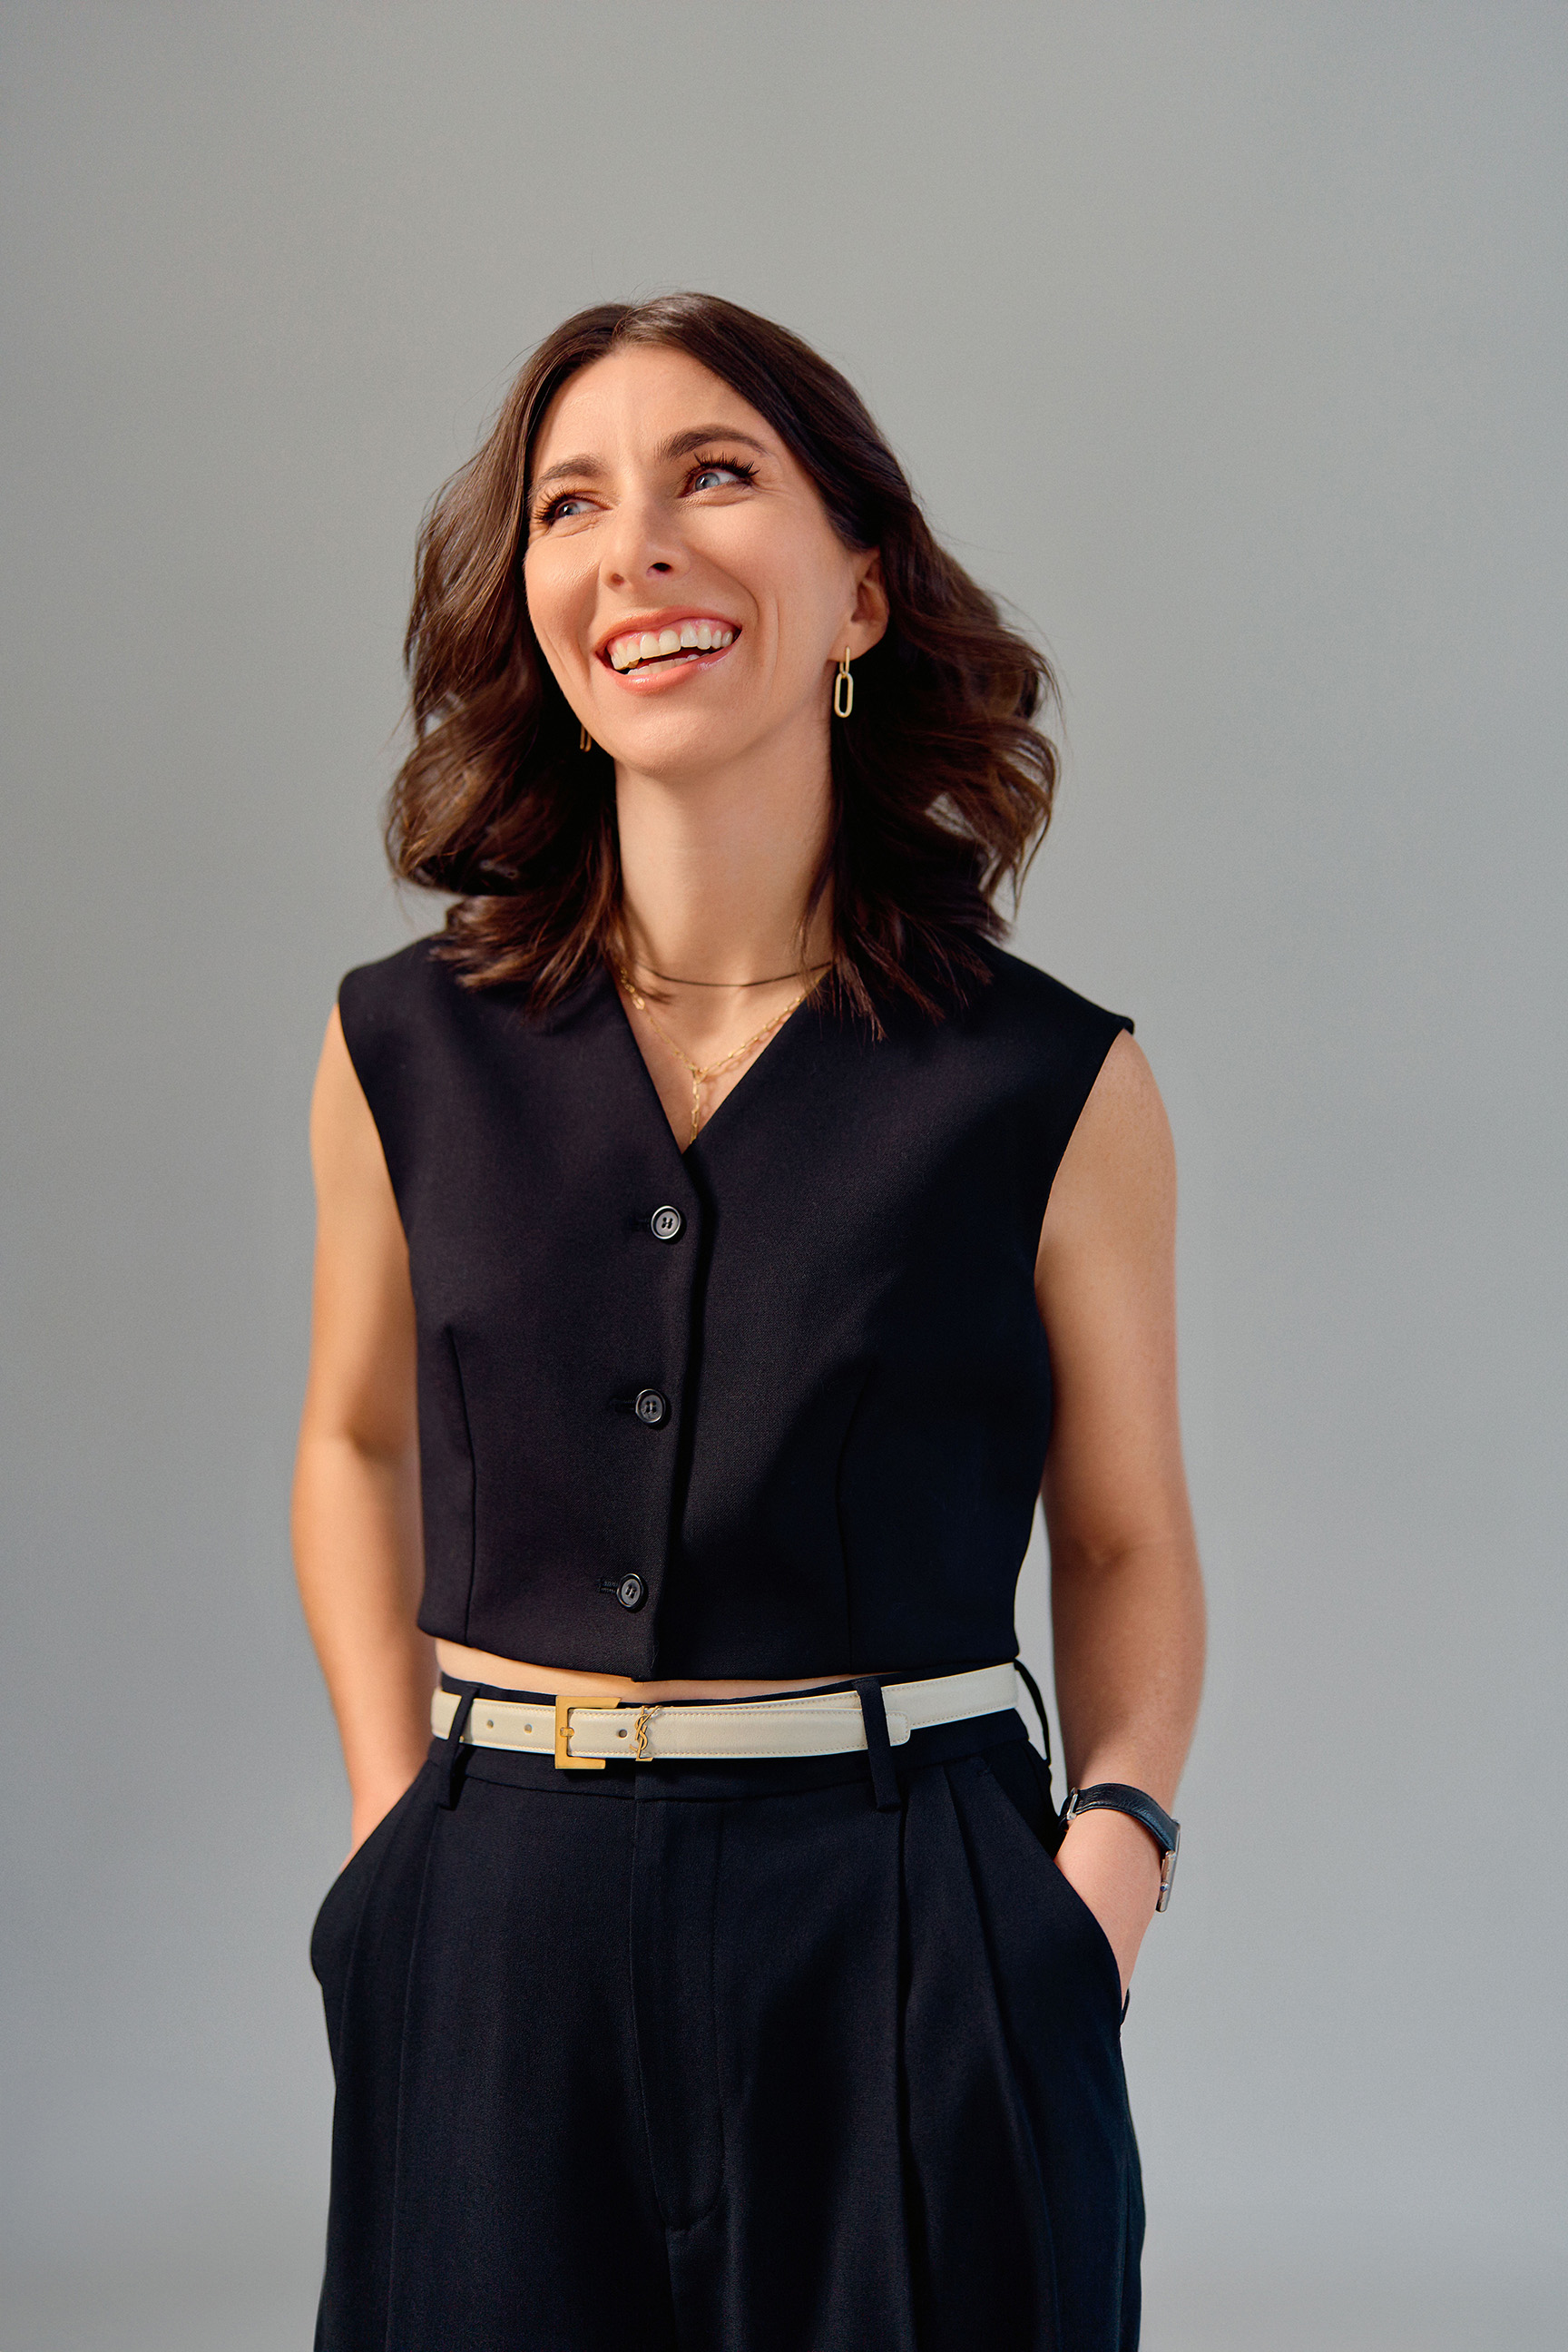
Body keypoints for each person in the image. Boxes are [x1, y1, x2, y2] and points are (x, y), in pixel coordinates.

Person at [293, 291, 1205, 2352]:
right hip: (494, 1928)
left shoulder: (1049, 1083)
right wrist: (389, 1846)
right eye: (571, 503)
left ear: (862, 589)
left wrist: (1109, 1871)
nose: (639, 550)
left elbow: (1132, 1533)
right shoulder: (399, 1049)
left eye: (717, 475)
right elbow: (350, 1439)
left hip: (918, 1930)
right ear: (534, 596)